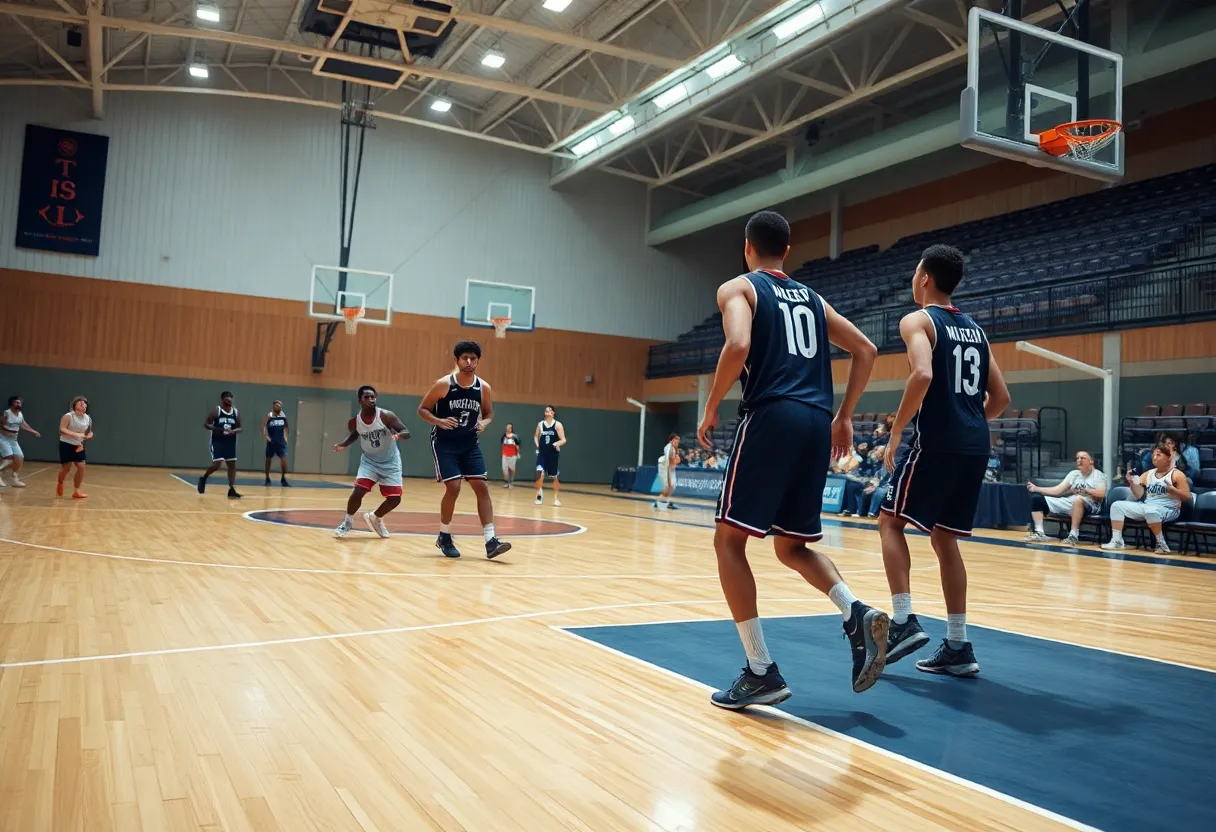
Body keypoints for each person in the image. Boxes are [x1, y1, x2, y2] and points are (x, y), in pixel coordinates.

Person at [697, 209, 888, 710]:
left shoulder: (738, 288)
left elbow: (738, 343)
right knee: (791, 547)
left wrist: (713, 403)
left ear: (747, 247)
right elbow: (866, 350)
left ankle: (760, 669)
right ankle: (855, 611)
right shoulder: (813, 298)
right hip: (815, 422)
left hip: (772, 415)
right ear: (788, 250)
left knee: (729, 542)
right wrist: (845, 417)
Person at [879, 244, 1010, 678]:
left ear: (924, 278)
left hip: (940, 443)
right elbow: (1002, 398)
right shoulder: (977, 329)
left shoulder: (917, 320)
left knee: (889, 521)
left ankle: (902, 621)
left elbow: (922, 374)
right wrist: (969, 421)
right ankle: (958, 644)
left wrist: (896, 431)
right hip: (976, 444)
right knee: (944, 539)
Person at [417, 341, 512, 559]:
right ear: (457, 361)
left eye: (473, 359)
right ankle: (444, 536)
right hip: (444, 442)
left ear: (478, 361)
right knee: (454, 487)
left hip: (469, 443)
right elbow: (422, 409)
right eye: (465, 358)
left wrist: (484, 423)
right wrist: (439, 421)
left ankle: (490, 540)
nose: (469, 362)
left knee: (481, 486)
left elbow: (488, 414)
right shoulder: (444, 384)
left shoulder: (483, 388)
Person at [332, 386, 410, 539]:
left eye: (373, 397)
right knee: (358, 491)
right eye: (367, 397)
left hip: (390, 461)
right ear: (359, 400)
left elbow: (406, 432)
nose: (371, 399)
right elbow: (355, 435)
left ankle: (375, 517)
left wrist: (399, 436)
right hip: (370, 461)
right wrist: (343, 444)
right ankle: (347, 522)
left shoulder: (386, 416)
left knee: (395, 499)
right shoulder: (355, 422)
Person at [1102, 442, 1189, 554]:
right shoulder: (1148, 474)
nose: (1154, 457)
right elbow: (1139, 495)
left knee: (1150, 511)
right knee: (1117, 506)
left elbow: (1187, 497)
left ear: (1168, 458)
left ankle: (1161, 544)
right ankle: (1117, 540)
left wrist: (1174, 490)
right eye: (1153, 455)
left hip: (1169, 509)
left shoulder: (1177, 474)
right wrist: (1132, 483)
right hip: (1148, 506)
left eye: (1158, 455)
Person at [1025, 450, 1107, 545]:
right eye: (1077, 458)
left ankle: (1073, 535)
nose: (1079, 460)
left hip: (1092, 504)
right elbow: (1057, 490)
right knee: (1037, 499)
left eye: (1082, 458)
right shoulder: (1074, 474)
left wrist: (1086, 491)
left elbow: (1101, 494)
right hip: (1071, 501)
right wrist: (1036, 488)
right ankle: (1039, 532)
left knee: (1078, 499)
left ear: (1091, 461)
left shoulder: (1098, 475)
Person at [198, 391, 242, 498]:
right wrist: (217, 429)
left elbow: (239, 427)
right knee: (217, 464)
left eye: (231, 397)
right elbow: (206, 424)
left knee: (232, 465)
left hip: (230, 442)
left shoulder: (235, 412)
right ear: (223, 399)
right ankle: (204, 478)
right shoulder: (217, 411)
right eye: (227, 397)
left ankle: (231, 489)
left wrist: (234, 431)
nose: (229, 399)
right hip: (218, 441)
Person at [57, 396, 93, 499]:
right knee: (67, 468)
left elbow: (89, 431)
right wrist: (76, 434)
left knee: (81, 466)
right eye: (80, 403)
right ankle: (60, 482)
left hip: (78, 445)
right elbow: (62, 429)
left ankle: (77, 491)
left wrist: (89, 435)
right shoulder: (68, 416)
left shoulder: (88, 418)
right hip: (66, 443)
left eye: (84, 403)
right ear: (74, 406)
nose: (82, 404)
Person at [0, 396, 40, 488]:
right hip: (3, 439)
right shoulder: (7, 413)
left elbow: (23, 424)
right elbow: (1, 423)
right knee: (9, 458)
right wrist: (5, 430)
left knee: (19, 458)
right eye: (16, 402)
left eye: (20, 403)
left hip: (13, 440)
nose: (19, 404)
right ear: (11, 403)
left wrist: (33, 431)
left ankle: (15, 479)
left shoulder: (20, 414)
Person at [534, 405, 566, 506]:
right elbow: (535, 436)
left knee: (554, 476)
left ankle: (556, 498)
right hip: (542, 453)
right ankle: (539, 495)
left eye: (549, 411)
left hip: (553, 454)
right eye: (546, 411)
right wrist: (538, 445)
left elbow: (563, 439)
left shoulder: (557, 425)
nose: (547, 412)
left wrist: (557, 444)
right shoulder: (540, 424)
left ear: (553, 413)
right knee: (539, 473)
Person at [262, 400, 291, 487]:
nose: (277, 406)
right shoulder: (269, 415)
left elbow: (286, 427)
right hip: (271, 442)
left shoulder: (283, 416)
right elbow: (263, 426)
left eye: (279, 405)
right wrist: (266, 436)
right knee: (268, 460)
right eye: (276, 405)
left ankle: (283, 478)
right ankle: (267, 478)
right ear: (273, 407)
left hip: (281, 443)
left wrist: (286, 437)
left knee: (284, 460)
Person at [653, 433, 681, 511]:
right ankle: (658, 501)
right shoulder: (668, 448)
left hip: (671, 467)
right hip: (664, 467)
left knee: (673, 485)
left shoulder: (675, 448)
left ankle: (667, 501)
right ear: (671, 441)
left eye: (678, 440)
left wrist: (676, 461)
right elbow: (668, 464)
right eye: (676, 439)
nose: (677, 441)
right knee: (668, 486)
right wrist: (668, 478)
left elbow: (674, 460)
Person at [500, 423, 520, 488]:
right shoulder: (503, 436)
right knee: (504, 469)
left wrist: (518, 453)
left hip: (513, 455)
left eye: (510, 427)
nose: (508, 428)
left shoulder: (515, 437)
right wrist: (503, 453)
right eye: (507, 427)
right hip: (505, 455)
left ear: (511, 429)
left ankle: (511, 482)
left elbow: (517, 446)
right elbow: (502, 445)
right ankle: (506, 482)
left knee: (512, 469)